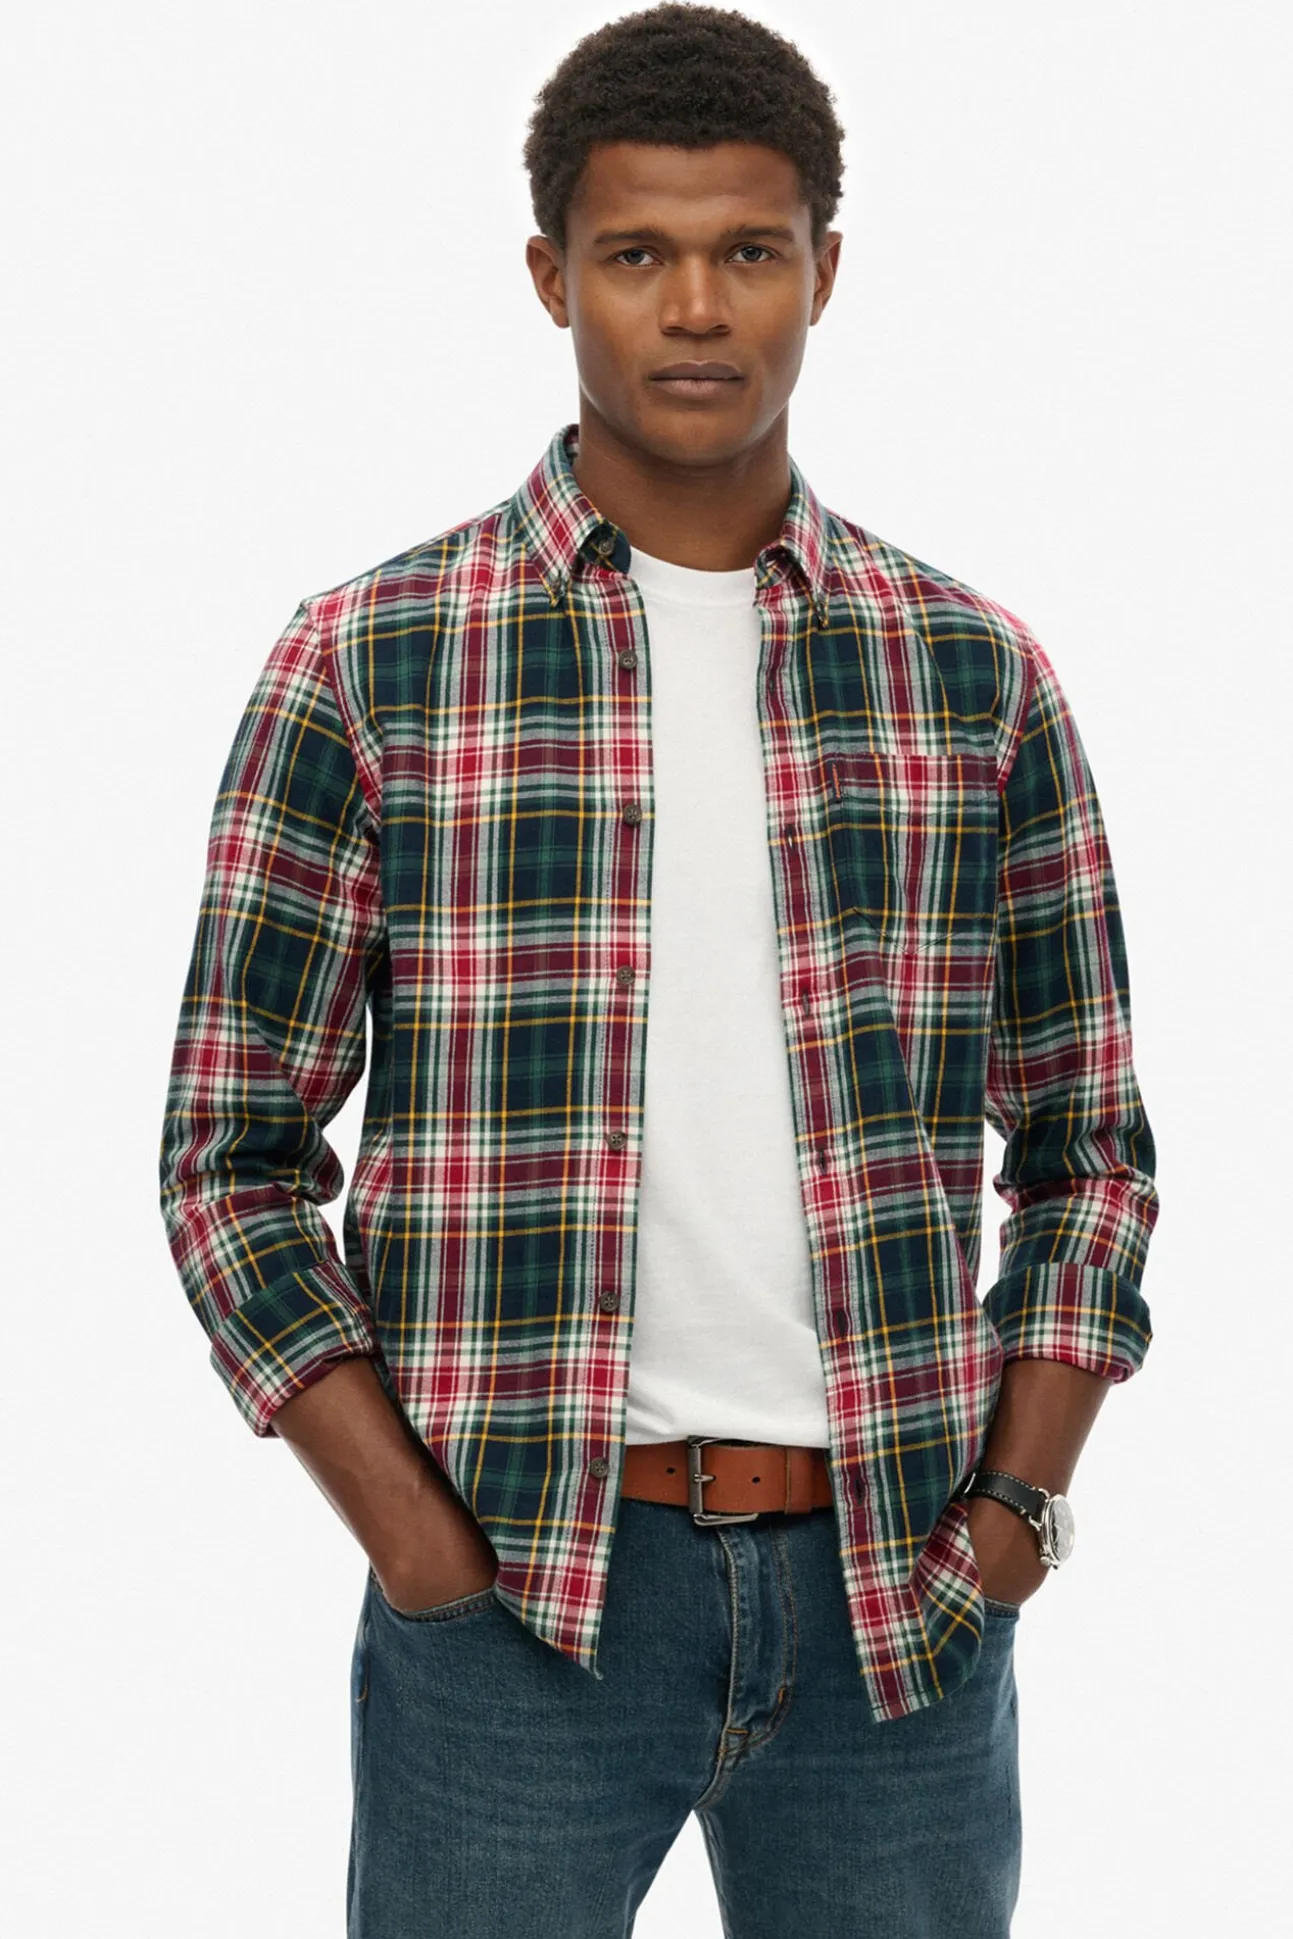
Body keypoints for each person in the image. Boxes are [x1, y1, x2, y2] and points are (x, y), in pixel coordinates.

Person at [157, 6, 1160, 1934]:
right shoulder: (374, 662)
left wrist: (1010, 1522)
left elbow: (1089, 1148)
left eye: (748, 250)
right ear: (552, 276)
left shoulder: (972, 675)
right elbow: (230, 1157)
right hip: (517, 1608)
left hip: (901, 1605)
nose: (696, 307)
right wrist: (421, 1543)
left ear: (824, 272)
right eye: (637, 253)